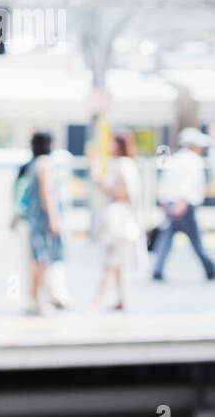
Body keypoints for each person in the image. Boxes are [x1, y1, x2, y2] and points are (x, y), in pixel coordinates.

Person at [88, 132, 144, 311]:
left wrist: (106, 186)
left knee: (111, 260)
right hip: (119, 219)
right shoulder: (124, 164)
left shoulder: (123, 165)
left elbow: (127, 192)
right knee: (118, 261)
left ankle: (97, 300)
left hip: (119, 220)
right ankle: (122, 299)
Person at [152, 127, 215, 282]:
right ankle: (210, 268)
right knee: (196, 239)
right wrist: (183, 202)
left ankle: (157, 269)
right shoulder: (194, 161)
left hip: (171, 203)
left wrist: (164, 202)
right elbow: (189, 184)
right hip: (184, 205)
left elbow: (165, 182)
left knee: (166, 238)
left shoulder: (174, 159)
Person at [22, 130, 69, 315]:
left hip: (34, 218)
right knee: (42, 259)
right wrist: (53, 219)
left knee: (38, 259)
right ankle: (36, 300)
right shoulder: (45, 164)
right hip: (42, 219)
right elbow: (47, 192)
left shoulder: (32, 164)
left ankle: (35, 298)